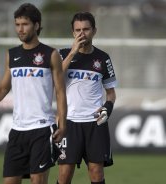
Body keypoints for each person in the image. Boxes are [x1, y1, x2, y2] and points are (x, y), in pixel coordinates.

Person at [0, 3, 67, 184]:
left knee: (37, 180)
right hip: (17, 131)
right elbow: (2, 88)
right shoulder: (12, 54)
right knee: (9, 181)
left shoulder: (50, 54)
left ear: (36, 25)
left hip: (42, 128)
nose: (20, 29)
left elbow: (61, 92)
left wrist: (63, 124)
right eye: (17, 24)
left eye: (25, 24)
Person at [57, 12, 117, 184]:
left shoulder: (103, 59)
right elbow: (55, 80)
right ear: (72, 33)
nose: (81, 33)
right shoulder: (62, 55)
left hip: (95, 123)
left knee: (96, 172)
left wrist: (107, 109)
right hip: (69, 122)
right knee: (64, 173)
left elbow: (111, 94)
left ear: (94, 31)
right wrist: (73, 53)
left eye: (86, 29)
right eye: (78, 30)